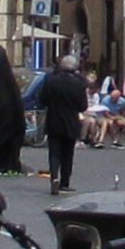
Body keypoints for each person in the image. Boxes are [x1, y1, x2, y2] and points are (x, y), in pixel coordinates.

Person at [31, 51, 88, 195]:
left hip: (54, 121)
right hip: (71, 122)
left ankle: (54, 177)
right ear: (75, 68)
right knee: (68, 153)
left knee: (54, 152)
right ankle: (65, 182)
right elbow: (83, 106)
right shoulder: (79, 84)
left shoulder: (51, 81)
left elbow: (42, 100)